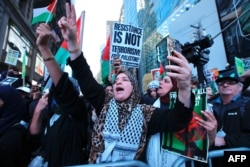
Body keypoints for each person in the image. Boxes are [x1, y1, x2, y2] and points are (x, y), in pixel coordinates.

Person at [58, 3, 195, 164]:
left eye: (125, 79)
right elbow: (85, 78)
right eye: (117, 80)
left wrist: (184, 87)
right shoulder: (105, 104)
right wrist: (73, 43)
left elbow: (178, 119)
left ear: (135, 88)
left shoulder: (146, 114)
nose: (118, 82)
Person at [30, 19, 91, 166]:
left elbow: (64, 89)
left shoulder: (78, 113)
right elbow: (34, 137)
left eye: (59, 92)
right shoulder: (51, 112)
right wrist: (38, 112)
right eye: (54, 92)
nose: (57, 95)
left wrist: (45, 49)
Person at [209, 68, 250, 166]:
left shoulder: (247, 104)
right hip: (212, 160)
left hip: (237, 159)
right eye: (221, 82)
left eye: (231, 82)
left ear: (240, 87)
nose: (225, 85)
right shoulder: (208, 105)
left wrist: (224, 140)